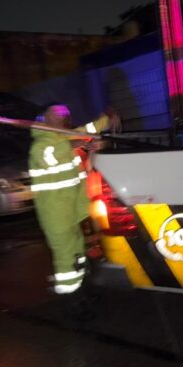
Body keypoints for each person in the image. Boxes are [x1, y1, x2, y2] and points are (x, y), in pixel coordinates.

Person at [28, 104, 119, 299]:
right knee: (64, 249)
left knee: (77, 244)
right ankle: (69, 294)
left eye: (65, 113)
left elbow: (88, 129)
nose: (62, 115)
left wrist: (106, 118)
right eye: (56, 113)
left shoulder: (63, 137)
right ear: (43, 118)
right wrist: (75, 144)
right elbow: (47, 157)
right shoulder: (42, 143)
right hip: (54, 209)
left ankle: (80, 282)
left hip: (70, 205)